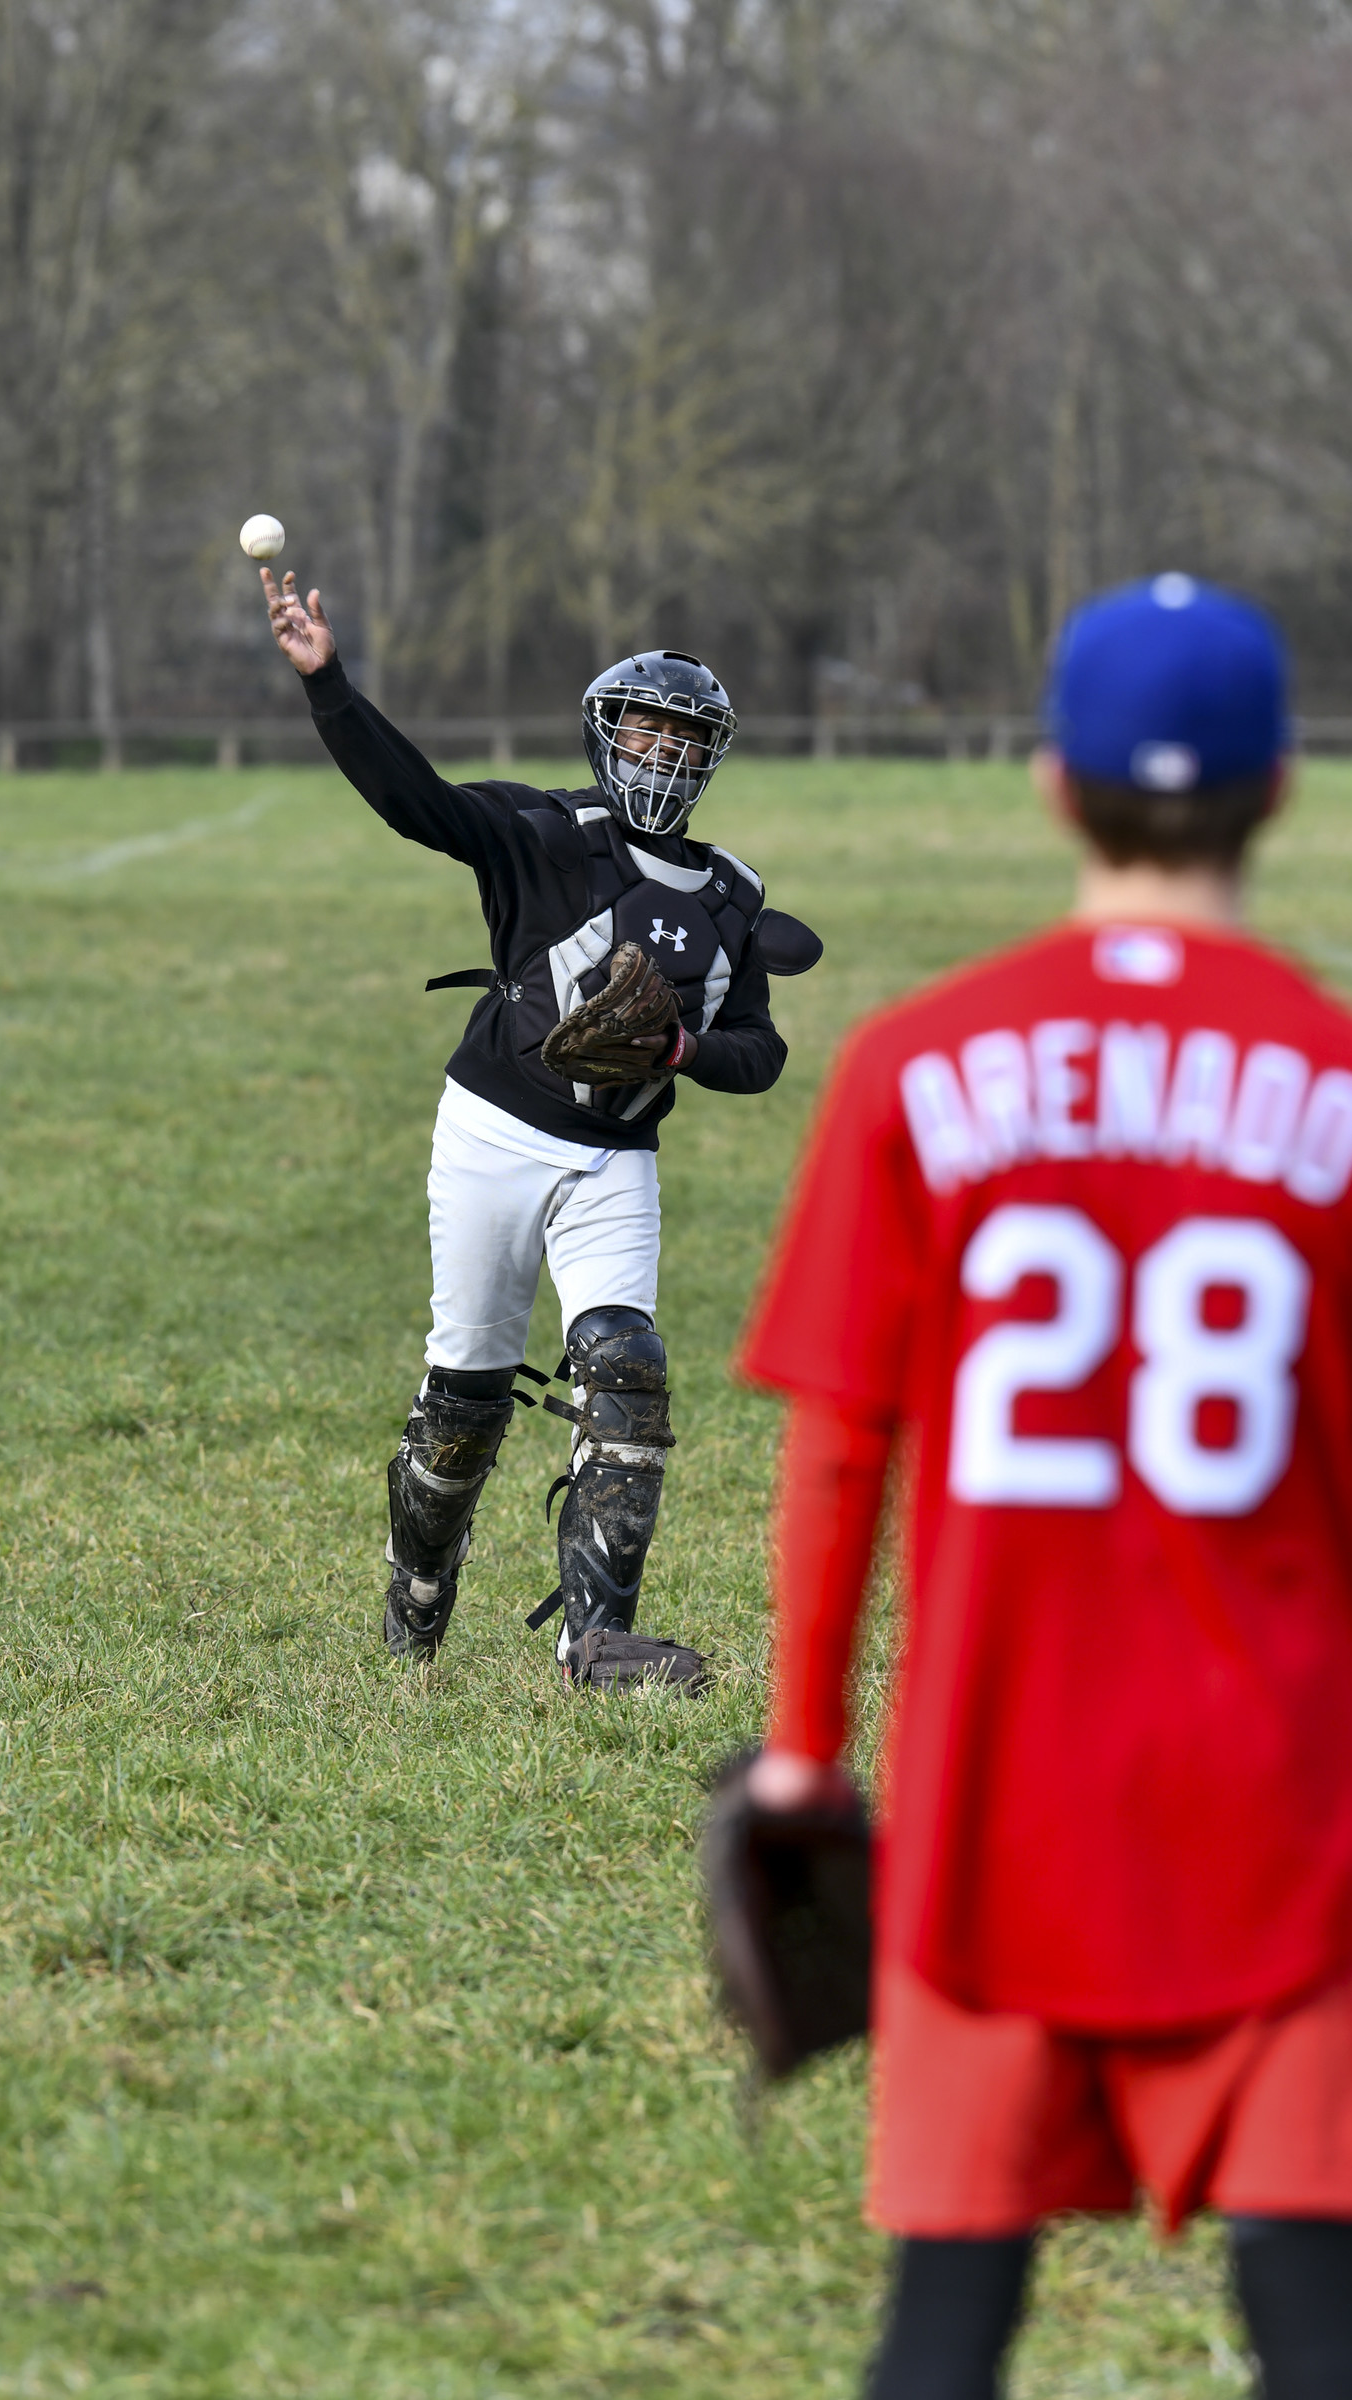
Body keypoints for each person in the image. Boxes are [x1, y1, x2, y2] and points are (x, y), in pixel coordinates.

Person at [736, 573, 1352, 2398]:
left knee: (946, 2318)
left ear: (1047, 786)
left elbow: (843, 1438)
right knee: (1313, 2315)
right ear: (1285, 790)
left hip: (989, 1802)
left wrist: (805, 1747)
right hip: (1287, 1798)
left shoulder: (912, 1068)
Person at [261, 567, 818, 1684]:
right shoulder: (545, 836)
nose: (660, 757)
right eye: (645, 735)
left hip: (616, 1161)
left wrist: (677, 1051)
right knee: (464, 1398)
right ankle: (417, 1591)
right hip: (493, 1136)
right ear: (607, 740)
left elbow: (758, 1055)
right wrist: (331, 687)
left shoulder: (730, 900)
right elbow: (412, 801)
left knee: (628, 1371)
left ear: (709, 760)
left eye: (684, 742)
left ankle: (594, 1640)